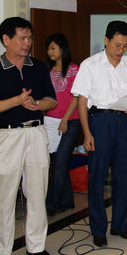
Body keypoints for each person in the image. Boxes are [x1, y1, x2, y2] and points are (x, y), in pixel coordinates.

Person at [0, 17, 57, 255]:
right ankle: (0, 251)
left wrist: (37, 104)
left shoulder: (38, 67)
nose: (27, 43)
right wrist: (17, 101)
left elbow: (51, 100)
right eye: (22, 38)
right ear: (6, 39)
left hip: (35, 133)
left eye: (30, 38)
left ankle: (37, 245)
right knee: (3, 195)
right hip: (7, 136)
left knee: (37, 192)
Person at [71, 21, 127, 247]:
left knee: (123, 176)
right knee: (98, 177)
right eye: (117, 45)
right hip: (99, 121)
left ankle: (120, 225)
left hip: (123, 121)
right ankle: (98, 228)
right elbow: (82, 101)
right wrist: (86, 133)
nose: (121, 50)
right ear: (106, 40)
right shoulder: (90, 65)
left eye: (125, 46)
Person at [44, 33, 81, 216]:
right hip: (50, 121)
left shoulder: (74, 70)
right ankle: (66, 200)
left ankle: (51, 204)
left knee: (60, 162)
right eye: (48, 49)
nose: (50, 52)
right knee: (58, 161)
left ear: (62, 48)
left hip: (71, 121)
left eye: (53, 48)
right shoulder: (48, 71)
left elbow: (76, 97)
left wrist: (65, 119)